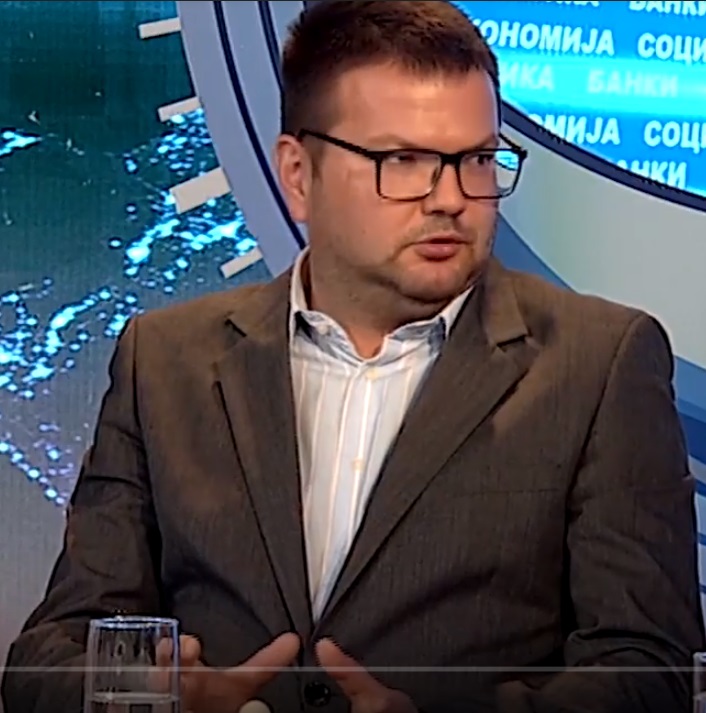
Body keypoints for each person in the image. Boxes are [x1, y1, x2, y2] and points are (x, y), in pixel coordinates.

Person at [2, 1, 704, 712]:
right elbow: (48, 659)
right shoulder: (163, 362)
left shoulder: (600, 365)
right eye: (403, 161)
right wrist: (157, 697)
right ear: (298, 175)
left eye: (477, 160)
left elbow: (649, 672)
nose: (451, 199)